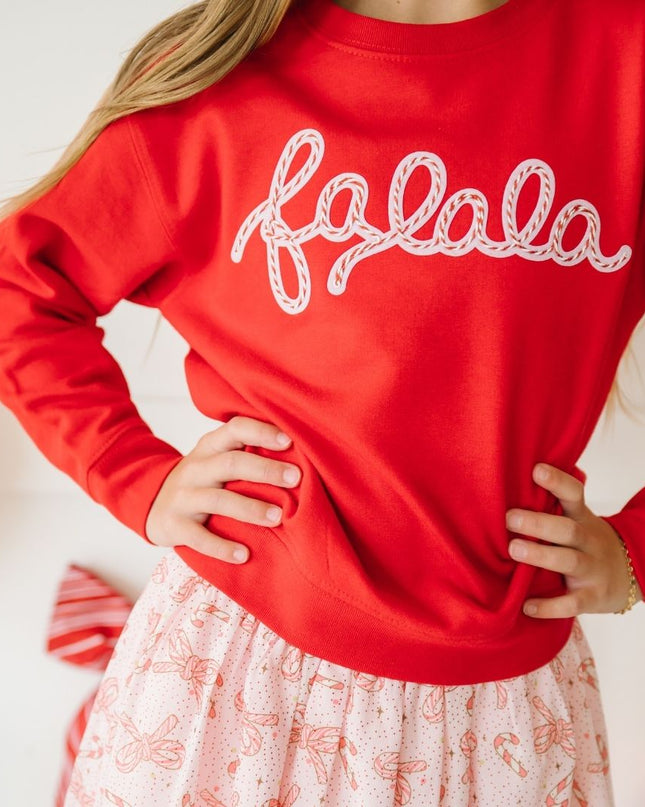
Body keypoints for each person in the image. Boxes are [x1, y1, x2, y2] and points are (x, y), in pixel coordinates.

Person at [0, 0, 643, 803]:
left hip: (505, 716)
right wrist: (134, 474)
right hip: (234, 680)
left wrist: (634, 550)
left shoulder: (624, 58)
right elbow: (21, 288)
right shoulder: (215, 78)